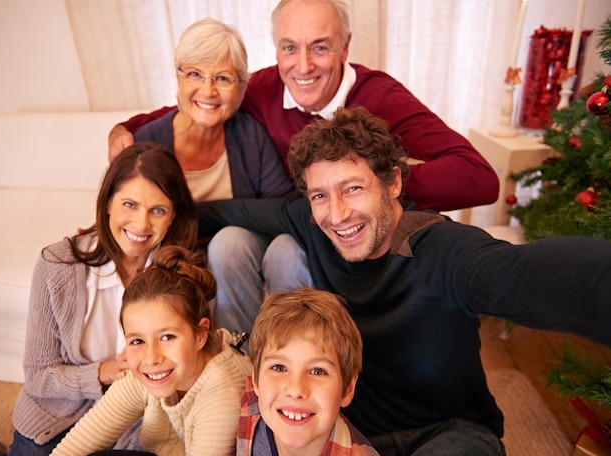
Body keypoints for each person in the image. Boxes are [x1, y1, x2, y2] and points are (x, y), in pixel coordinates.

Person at [194, 106, 611, 455]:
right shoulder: (313, 222)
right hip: (351, 434)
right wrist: (153, 217)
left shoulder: (445, 249)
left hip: (448, 434)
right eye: (320, 195)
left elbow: (524, 274)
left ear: (393, 182)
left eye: (353, 188)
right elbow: (231, 212)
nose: (336, 214)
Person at [107, 0, 500, 341]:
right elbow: (206, 101)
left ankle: (309, 357)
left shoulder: (379, 96)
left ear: (345, 47)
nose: (303, 65)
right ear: (276, 50)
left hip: (349, 238)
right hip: (284, 224)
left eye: (321, 47)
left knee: (284, 251)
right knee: (239, 244)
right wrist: (129, 127)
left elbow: (479, 177)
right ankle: (244, 362)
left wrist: (369, 187)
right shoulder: (268, 86)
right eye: (289, 48)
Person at [8, 142, 198, 456]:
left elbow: (187, 379)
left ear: (173, 217)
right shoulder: (57, 267)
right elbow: (38, 376)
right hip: (51, 422)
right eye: (130, 204)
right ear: (108, 202)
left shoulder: (183, 276)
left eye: (158, 210)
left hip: (132, 428)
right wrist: (103, 372)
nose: (141, 224)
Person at [51, 245, 253, 455]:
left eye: (167, 337)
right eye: (137, 341)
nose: (151, 358)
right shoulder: (148, 372)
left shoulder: (223, 398)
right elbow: (76, 446)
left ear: (200, 335)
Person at [133, 17, 297, 203]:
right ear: (178, 78)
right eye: (194, 74)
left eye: (222, 78)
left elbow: (280, 205)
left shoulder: (250, 136)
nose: (208, 91)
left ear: (241, 86)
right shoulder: (146, 142)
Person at [239, 288, 378, 456]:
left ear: (348, 388)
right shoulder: (250, 408)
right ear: (255, 379)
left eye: (318, 371)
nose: (296, 390)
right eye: (279, 368)